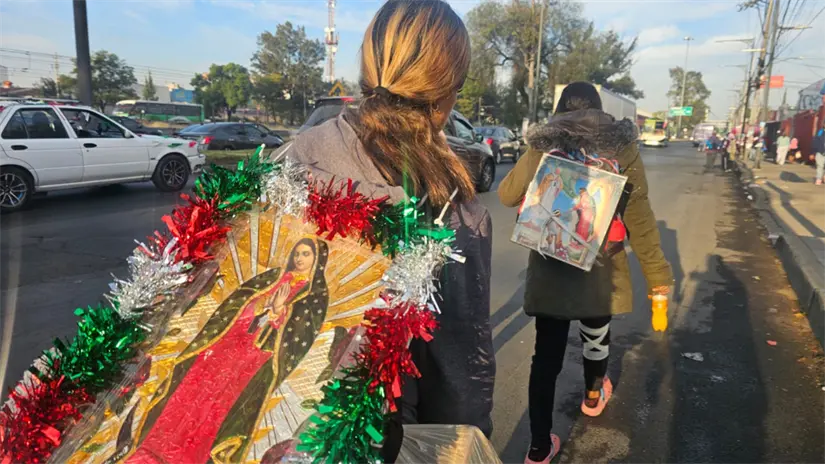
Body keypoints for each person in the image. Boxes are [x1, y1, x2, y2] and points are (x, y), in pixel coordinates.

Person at [282, 0, 496, 452]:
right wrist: (470, 441)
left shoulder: (291, 160)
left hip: (271, 425)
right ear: (447, 97)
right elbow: (456, 371)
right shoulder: (454, 209)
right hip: (373, 439)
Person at [498, 82, 673, 464]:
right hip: (602, 265)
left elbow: (508, 195)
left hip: (552, 262)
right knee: (596, 335)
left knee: (546, 357)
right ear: (599, 110)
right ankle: (593, 395)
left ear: (560, 110)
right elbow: (639, 216)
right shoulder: (621, 147)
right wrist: (658, 277)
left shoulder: (545, 143)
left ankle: (539, 448)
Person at [128, 238, 330, 463]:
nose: (300, 259)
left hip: (254, 357)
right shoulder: (273, 277)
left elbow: (300, 335)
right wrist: (262, 306)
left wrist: (280, 311)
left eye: (307, 254)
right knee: (190, 391)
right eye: (298, 253)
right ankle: (155, 448)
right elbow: (237, 302)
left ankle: (190, 457)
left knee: (217, 405)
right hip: (227, 342)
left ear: (318, 260)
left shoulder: (314, 296)